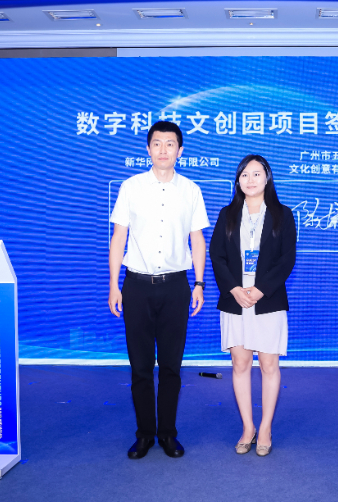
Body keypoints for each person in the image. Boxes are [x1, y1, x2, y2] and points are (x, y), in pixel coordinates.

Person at [108, 121, 210, 459]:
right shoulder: (131, 187)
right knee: (139, 367)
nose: (163, 149)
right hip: (136, 286)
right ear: (148, 149)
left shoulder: (191, 190)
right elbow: (119, 237)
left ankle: (167, 434)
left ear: (180, 151)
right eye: (157, 143)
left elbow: (197, 239)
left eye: (170, 144)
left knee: (170, 366)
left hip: (176, 288)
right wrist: (113, 285)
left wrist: (199, 283)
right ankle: (144, 435)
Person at [209, 154, 296, 457]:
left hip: (268, 300)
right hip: (234, 300)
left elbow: (287, 260)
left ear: (267, 178)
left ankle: (266, 428)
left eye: (256, 174)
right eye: (244, 174)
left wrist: (260, 290)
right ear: (238, 180)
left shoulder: (283, 214)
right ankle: (248, 427)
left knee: (269, 366)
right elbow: (217, 256)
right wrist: (234, 289)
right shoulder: (227, 214)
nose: (250, 179)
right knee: (240, 365)